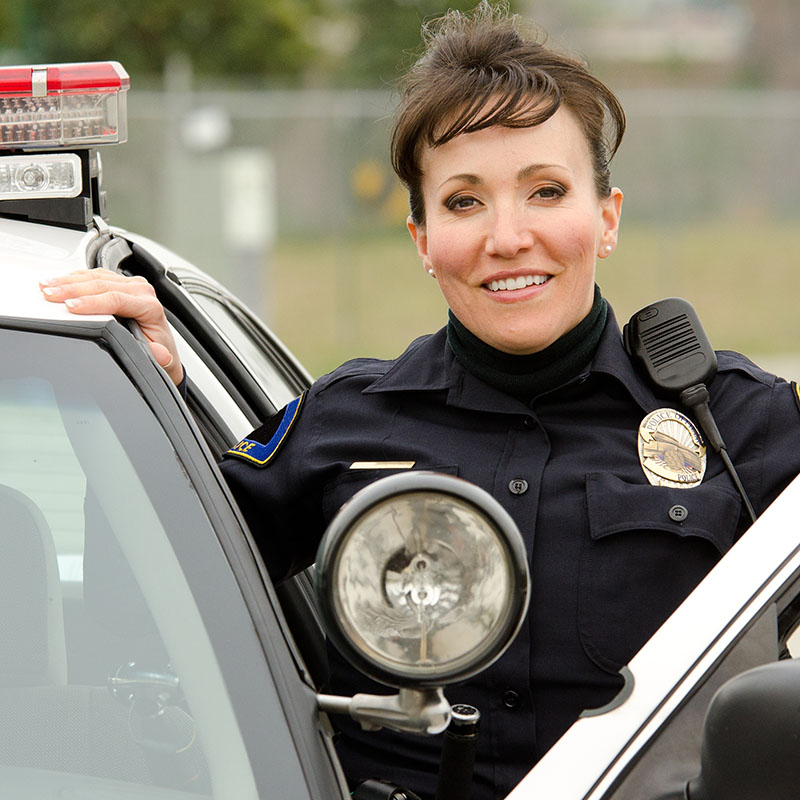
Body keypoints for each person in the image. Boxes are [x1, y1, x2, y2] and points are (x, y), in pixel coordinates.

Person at [38, 3, 800, 798]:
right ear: (421, 240)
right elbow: (140, 612)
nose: (508, 237)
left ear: (604, 219)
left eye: (546, 191)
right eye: (465, 202)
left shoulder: (744, 424)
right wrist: (145, 406)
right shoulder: (340, 424)